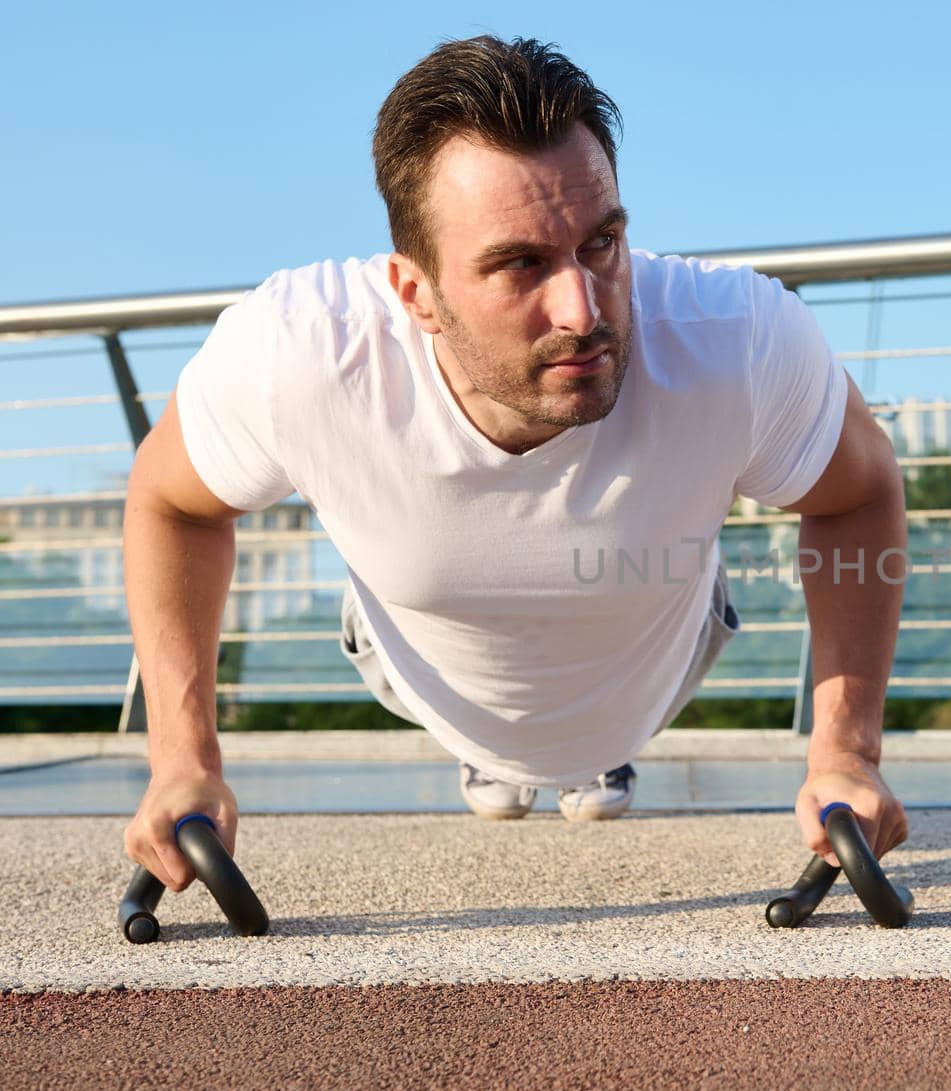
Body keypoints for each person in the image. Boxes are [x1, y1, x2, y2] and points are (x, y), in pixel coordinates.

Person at [121, 35, 910, 894]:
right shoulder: (301, 351)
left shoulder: (736, 339)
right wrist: (181, 761)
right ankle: (495, 754)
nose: (583, 308)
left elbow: (859, 497)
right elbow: (173, 504)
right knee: (418, 584)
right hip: (415, 662)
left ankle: (591, 758)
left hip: (657, 655)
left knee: (643, 579)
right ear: (415, 292)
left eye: (602, 244)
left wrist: (847, 751)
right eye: (520, 264)